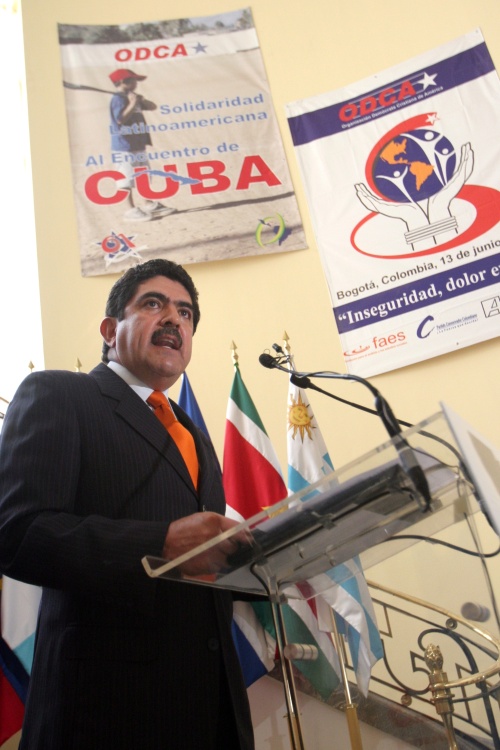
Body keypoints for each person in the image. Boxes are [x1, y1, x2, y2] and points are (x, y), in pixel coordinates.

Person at [0, 259, 255, 750]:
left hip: (210, 710)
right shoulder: (59, 394)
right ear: (110, 330)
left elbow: (205, 566)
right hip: (104, 712)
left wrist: (270, 562)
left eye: (185, 313)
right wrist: (160, 544)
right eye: (153, 304)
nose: (174, 319)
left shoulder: (194, 435)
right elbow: (18, 533)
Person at [109, 68, 176, 223]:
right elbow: (120, 120)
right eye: (134, 80)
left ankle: (148, 204)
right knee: (126, 178)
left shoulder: (131, 97)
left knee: (143, 175)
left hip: (138, 144)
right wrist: (132, 103)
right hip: (125, 146)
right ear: (123, 82)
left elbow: (153, 107)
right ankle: (130, 210)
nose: (136, 83)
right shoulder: (118, 99)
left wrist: (141, 100)